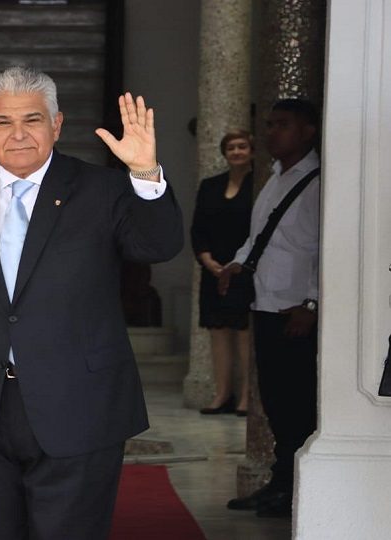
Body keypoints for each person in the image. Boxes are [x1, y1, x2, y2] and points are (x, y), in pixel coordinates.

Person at [0, 66, 183, 539]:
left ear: (57, 124)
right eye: (4, 122)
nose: (19, 134)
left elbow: (158, 246)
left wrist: (145, 173)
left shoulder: (104, 190)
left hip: (80, 406)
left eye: (33, 119)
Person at [219, 98, 320, 518]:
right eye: (270, 125)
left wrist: (313, 303)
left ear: (308, 131)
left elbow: (327, 248)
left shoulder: (318, 182)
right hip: (264, 303)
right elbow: (259, 235)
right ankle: (279, 484)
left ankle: (294, 488)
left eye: (282, 125)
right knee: (277, 404)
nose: (271, 132)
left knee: (296, 405)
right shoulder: (275, 176)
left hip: (294, 311)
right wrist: (237, 263)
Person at [190, 129, 254, 415]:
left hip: (244, 270)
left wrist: (238, 263)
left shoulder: (259, 184)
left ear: (251, 151)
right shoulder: (210, 186)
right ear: (224, 153)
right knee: (217, 331)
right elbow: (198, 227)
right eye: (232, 148)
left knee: (243, 332)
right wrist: (207, 260)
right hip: (213, 270)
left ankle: (246, 397)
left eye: (242, 147)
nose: (237, 152)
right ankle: (222, 394)